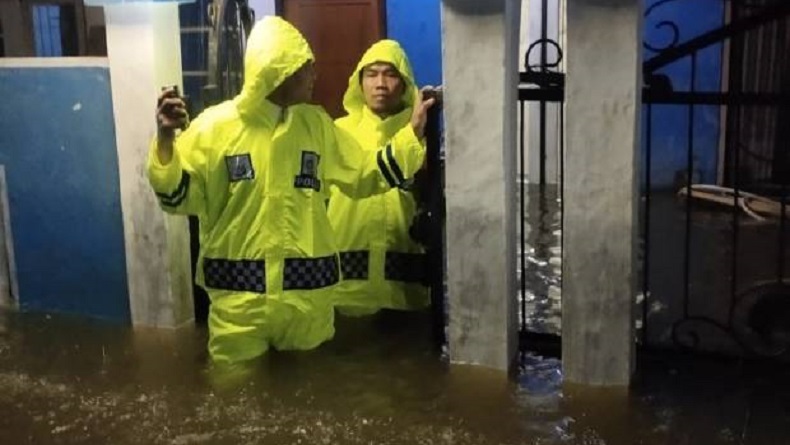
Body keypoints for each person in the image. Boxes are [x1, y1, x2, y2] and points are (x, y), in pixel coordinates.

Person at [148, 16, 434, 364]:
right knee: (234, 388)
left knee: (310, 389)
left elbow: (364, 174)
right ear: (278, 71)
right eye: (305, 69)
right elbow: (178, 198)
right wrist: (165, 143)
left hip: (308, 304)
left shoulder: (315, 125)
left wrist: (412, 133)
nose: (314, 76)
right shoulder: (214, 129)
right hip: (239, 307)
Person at [328, 40, 431, 317]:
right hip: (346, 292)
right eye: (371, 74)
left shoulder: (424, 135)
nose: (380, 84)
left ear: (405, 83)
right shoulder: (338, 132)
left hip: (406, 294)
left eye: (390, 74)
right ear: (359, 82)